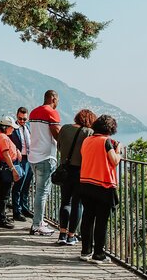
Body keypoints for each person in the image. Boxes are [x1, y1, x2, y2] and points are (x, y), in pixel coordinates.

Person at [78, 115, 123, 264]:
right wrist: (119, 150)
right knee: (101, 221)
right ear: (111, 129)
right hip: (103, 185)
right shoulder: (106, 142)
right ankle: (98, 254)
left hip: (85, 183)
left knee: (88, 218)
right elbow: (114, 160)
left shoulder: (87, 140)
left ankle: (85, 251)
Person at [55, 109, 97, 245]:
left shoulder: (65, 128)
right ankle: (71, 235)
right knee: (77, 204)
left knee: (65, 202)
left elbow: (59, 147)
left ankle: (62, 233)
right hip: (80, 171)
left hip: (65, 170)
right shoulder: (88, 133)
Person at [28, 90, 61, 236]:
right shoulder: (51, 113)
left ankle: (39, 221)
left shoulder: (34, 112)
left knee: (39, 192)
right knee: (42, 193)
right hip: (46, 157)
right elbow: (57, 135)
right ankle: (37, 225)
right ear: (53, 98)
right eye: (57, 100)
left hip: (33, 157)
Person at [0, 116, 21, 228]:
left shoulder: (0, 136)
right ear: (6, 127)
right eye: (11, 127)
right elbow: (6, 154)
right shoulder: (3, 138)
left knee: (3, 193)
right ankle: (1, 219)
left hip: (3, 166)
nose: (13, 129)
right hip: (5, 167)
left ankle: (2, 216)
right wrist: (13, 169)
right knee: (4, 194)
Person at [10, 107, 33, 221]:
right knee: (18, 185)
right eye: (20, 118)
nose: (22, 121)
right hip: (18, 159)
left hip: (29, 159)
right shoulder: (13, 128)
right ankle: (16, 211)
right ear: (17, 116)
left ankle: (24, 207)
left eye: (24, 119)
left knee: (26, 185)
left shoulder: (28, 127)